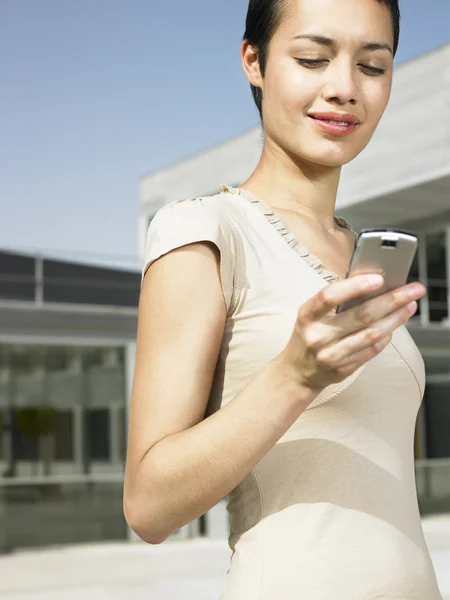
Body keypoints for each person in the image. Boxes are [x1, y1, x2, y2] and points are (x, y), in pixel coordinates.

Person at [124, 0, 443, 598]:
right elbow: (148, 506)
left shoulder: (360, 252)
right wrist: (296, 375)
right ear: (254, 61)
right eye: (313, 59)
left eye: (373, 67)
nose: (344, 88)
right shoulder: (205, 230)